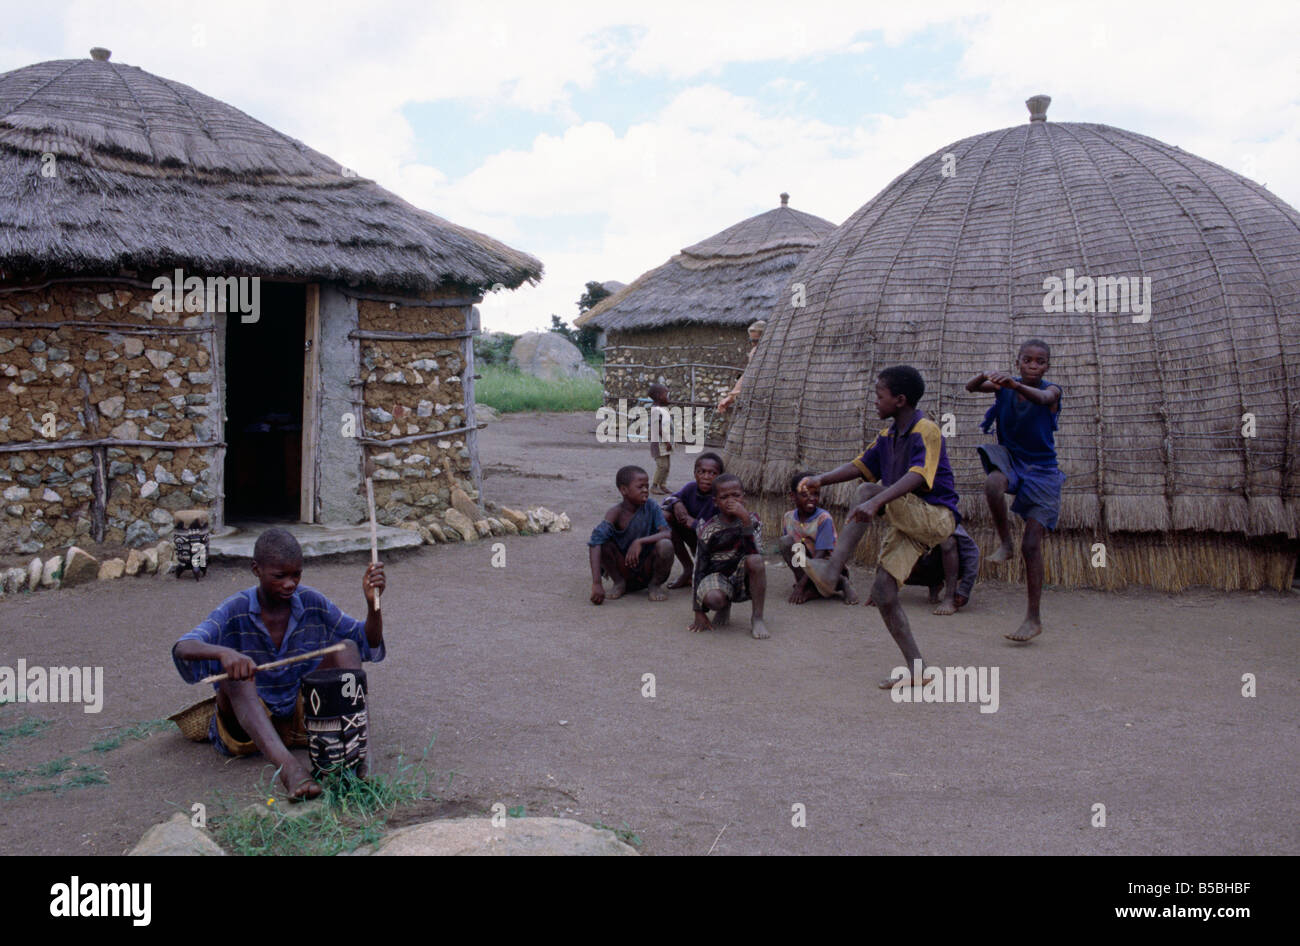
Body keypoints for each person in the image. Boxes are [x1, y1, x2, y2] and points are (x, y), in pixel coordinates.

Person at [171, 528, 385, 800]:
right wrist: (225, 654)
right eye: (279, 576)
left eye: (296, 574)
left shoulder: (310, 602)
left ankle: (349, 758)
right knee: (235, 676)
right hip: (246, 728)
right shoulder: (234, 608)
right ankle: (291, 771)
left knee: (347, 648)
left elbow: (368, 642)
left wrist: (373, 605)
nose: (289, 584)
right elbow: (183, 647)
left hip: (302, 720)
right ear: (256, 570)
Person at [799, 366, 961, 689]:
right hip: (910, 521)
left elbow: (918, 475)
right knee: (883, 593)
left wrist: (875, 502)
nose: (874, 401)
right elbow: (861, 466)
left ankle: (832, 570)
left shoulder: (926, 430)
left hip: (935, 516)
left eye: (879, 395)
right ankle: (918, 670)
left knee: (867, 492)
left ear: (900, 400)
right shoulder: (888, 436)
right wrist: (821, 479)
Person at [966, 338, 1064, 643]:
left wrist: (1014, 385)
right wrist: (986, 374)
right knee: (993, 483)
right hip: (1012, 458)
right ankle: (1005, 542)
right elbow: (971, 387)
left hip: (1043, 471)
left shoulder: (1052, 391)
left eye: (1040, 361)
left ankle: (1033, 618)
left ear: (1047, 365)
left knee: (1032, 545)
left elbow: (1043, 397)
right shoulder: (1004, 387)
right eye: (1027, 360)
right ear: (1018, 361)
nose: (1033, 366)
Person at [688, 474, 769, 639]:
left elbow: (756, 554)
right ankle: (724, 605)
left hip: (742, 575)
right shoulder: (709, 529)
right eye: (724, 497)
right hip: (718, 577)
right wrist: (698, 611)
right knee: (714, 599)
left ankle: (757, 617)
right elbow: (699, 568)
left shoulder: (753, 520)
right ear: (715, 502)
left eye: (736, 496)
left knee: (756, 560)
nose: (731, 501)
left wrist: (745, 521)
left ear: (743, 498)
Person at [589, 464, 674, 604]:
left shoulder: (652, 507)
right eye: (640, 487)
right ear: (624, 490)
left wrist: (639, 542)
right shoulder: (615, 513)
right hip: (624, 568)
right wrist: (597, 583)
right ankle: (619, 583)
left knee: (666, 545)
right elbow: (594, 543)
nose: (646, 490)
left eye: (647, 486)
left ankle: (654, 584)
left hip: (647, 567)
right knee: (603, 543)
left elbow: (666, 533)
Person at [779, 470, 858, 604]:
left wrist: (800, 586)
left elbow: (820, 556)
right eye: (805, 494)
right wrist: (800, 581)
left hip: (826, 568)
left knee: (820, 569)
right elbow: (794, 553)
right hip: (806, 565)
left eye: (816, 494)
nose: (812, 498)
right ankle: (811, 588)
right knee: (786, 542)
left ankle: (842, 582)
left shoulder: (823, 519)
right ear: (792, 496)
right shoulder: (788, 517)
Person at [662, 452, 724, 589]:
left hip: (715, 548)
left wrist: (693, 523)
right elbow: (666, 500)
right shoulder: (691, 488)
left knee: (710, 585)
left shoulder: (722, 496)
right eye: (701, 472)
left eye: (712, 473)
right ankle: (688, 568)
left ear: (720, 476)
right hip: (695, 539)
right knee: (666, 516)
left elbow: (720, 533)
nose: (706, 477)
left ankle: (703, 571)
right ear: (695, 473)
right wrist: (677, 502)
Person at [904, 523, 980, 611]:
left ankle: (949, 597)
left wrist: (964, 589)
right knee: (895, 567)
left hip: (955, 566)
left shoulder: (944, 520)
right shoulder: (908, 522)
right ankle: (934, 584)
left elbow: (972, 553)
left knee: (948, 541)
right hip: (931, 562)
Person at [716, 320, 766, 414]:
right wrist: (730, 397)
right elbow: (748, 374)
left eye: (756, 341)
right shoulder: (755, 352)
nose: (752, 344)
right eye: (751, 340)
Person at [648, 382, 673, 495]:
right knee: (662, 465)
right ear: (658, 396)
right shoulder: (656, 410)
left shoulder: (661, 409)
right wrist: (667, 441)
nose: (668, 397)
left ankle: (662, 485)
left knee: (667, 466)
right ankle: (654, 486)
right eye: (666, 394)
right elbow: (657, 427)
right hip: (659, 442)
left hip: (664, 441)